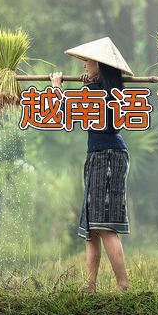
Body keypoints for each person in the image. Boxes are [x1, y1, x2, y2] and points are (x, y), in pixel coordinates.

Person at [49, 37, 135, 293]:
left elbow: (67, 111)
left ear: (98, 63)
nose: (84, 65)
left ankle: (123, 284)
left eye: (87, 60)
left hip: (107, 155)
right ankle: (90, 285)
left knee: (103, 225)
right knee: (91, 226)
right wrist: (91, 83)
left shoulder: (101, 92)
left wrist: (56, 87)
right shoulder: (103, 89)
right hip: (98, 155)